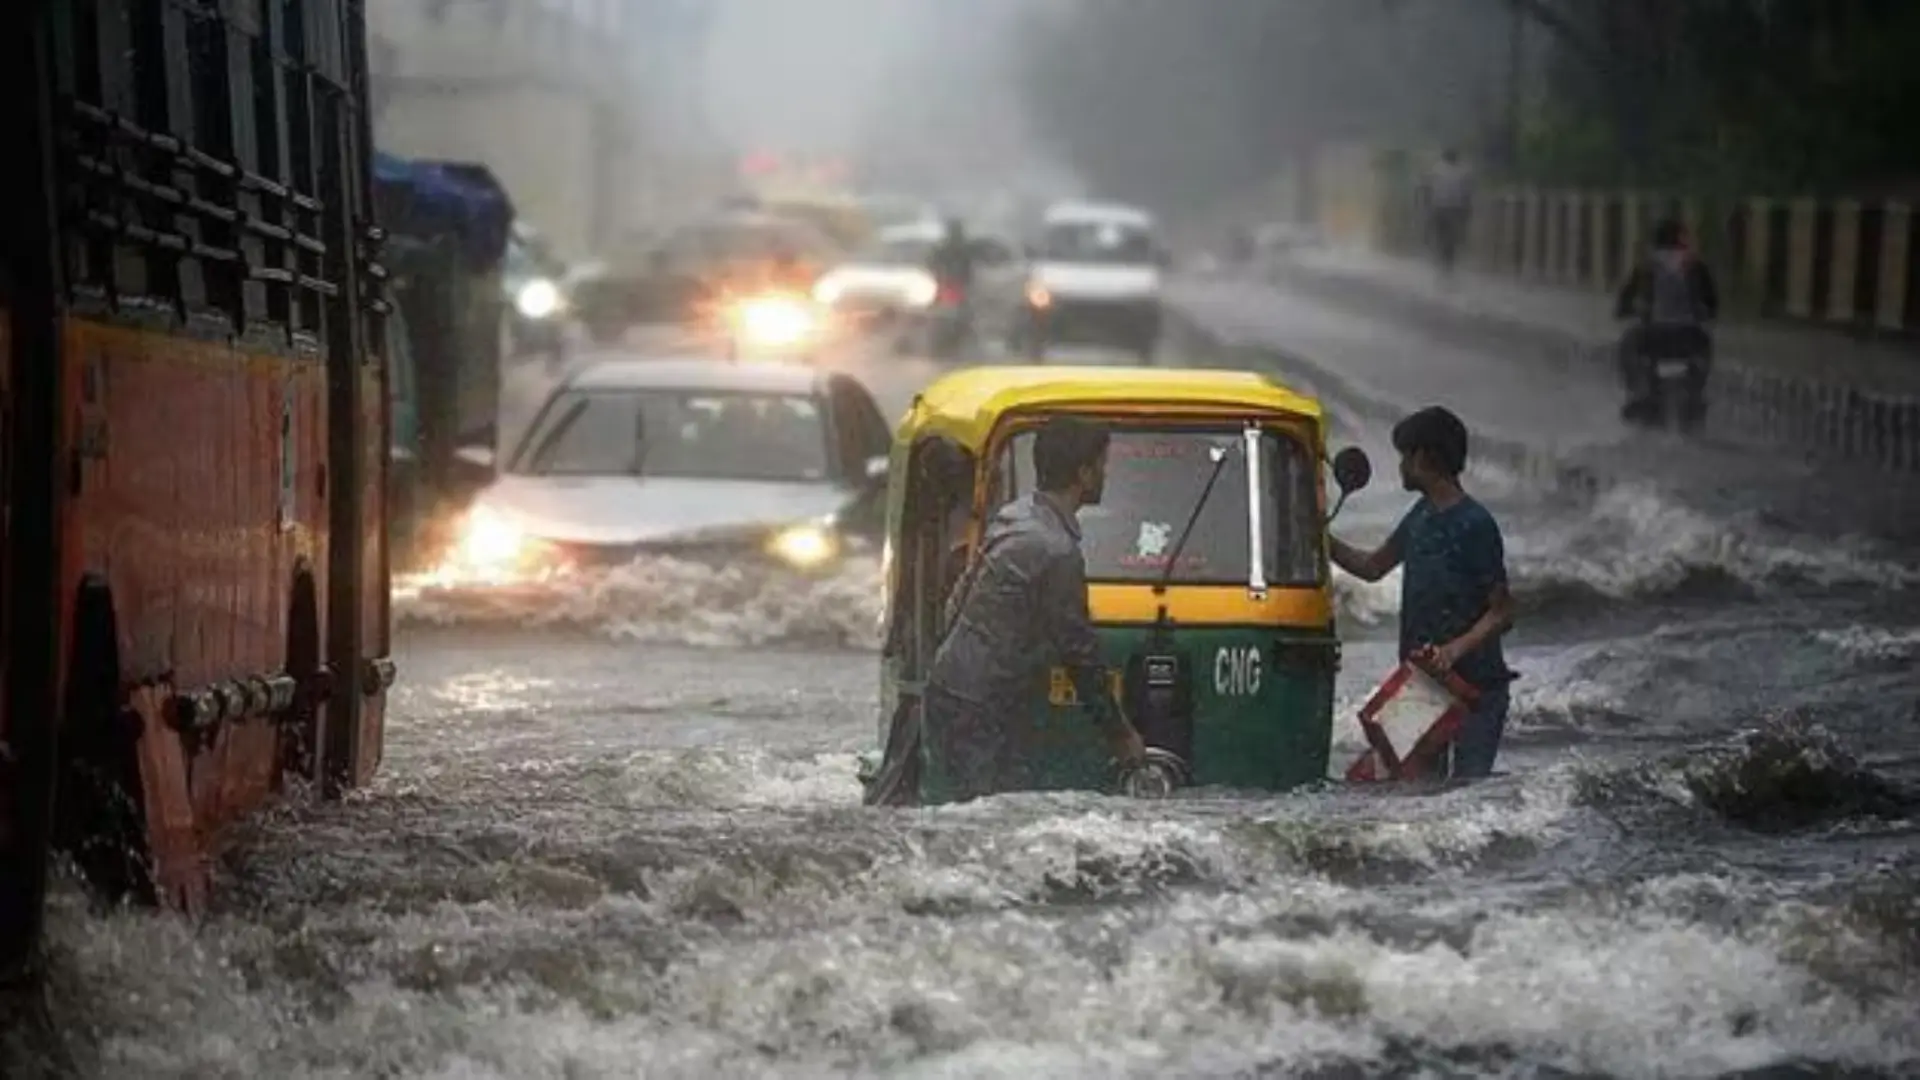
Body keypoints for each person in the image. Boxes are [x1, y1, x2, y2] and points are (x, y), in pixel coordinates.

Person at [923, 416, 1147, 800]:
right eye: (1102, 465)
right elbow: (1079, 652)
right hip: (979, 705)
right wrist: (1121, 734)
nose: (1105, 476)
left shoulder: (1015, 516)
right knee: (982, 816)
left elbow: (957, 601)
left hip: (951, 685)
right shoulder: (1055, 550)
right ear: (1084, 473)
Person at [1330, 406, 1515, 779]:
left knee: (1467, 798)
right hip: (1423, 684)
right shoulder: (1421, 514)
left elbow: (1503, 612)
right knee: (1398, 792)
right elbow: (1372, 568)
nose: (1399, 467)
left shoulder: (1475, 523)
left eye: (1403, 457)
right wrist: (1318, 539)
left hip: (1476, 691)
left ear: (1422, 457)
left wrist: (1452, 650)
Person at [1614, 218, 1719, 425]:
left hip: (1652, 337)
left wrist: (1628, 310)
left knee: (1627, 344)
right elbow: (1713, 306)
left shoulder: (1645, 266)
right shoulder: (1696, 266)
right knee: (1705, 346)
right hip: (1690, 337)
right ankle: (1696, 391)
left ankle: (1639, 391)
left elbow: (1622, 304)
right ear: (1682, 241)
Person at [1423, 148, 1474, 280]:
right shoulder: (1463, 172)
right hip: (1454, 209)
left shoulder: (1436, 169)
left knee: (1440, 234)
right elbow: (1467, 192)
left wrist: (1427, 206)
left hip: (1440, 207)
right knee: (1451, 236)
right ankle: (1447, 262)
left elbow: (1428, 189)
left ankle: (1441, 260)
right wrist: (1467, 209)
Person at [925, 217, 976, 296]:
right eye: (954, 231)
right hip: (948, 283)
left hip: (963, 283)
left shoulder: (968, 248)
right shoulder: (942, 248)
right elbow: (932, 262)